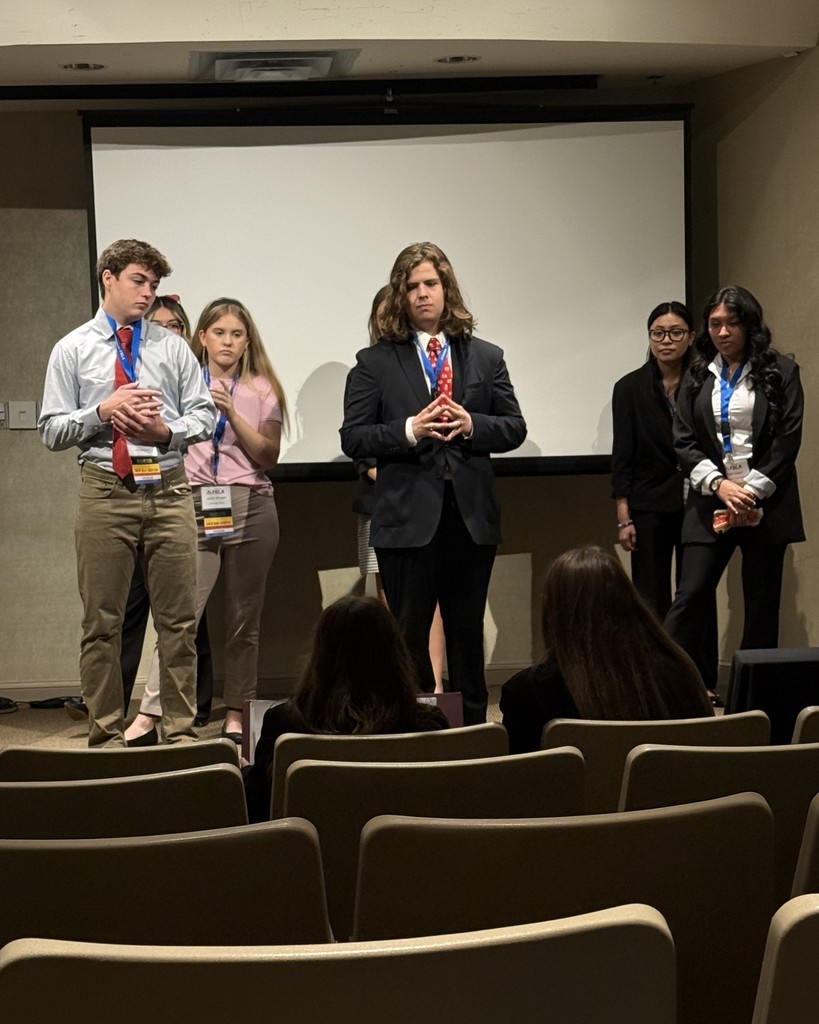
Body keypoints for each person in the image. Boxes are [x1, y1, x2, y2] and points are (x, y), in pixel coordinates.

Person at [38, 239, 216, 747]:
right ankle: (105, 733)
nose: (147, 293)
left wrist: (166, 433)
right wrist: (102, 410)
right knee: (102, 622)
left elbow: (204, 414)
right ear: (108, 278)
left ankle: (180, 734)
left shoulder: (171, 345)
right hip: (104, 489)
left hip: (168, 485)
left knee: (179, 621)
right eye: (139, 281)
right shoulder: (72, 348)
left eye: (154, 285)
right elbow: (50, 430)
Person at [340, 242, 526, 724]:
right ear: (399, 296)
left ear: (447, 290)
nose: (422, 294)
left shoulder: (486, 356)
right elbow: (354, 437)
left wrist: (471, 424)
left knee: (466, 632)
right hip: (406, 519)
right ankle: (414, 726)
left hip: (470, 517)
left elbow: (514, 427)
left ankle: (473, 731)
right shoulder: (375, 361)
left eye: (431, 284)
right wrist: (409, 430)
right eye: (412, 286)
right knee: (407, 635)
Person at [125, 297, 287, 746]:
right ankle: (152, 711)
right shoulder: (181, 382)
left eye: (237, 334)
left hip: (252, 505)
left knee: (243, 620)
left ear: (246, 340)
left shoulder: (261, 388)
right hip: (192, 503)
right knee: (181, 617)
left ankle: (237, 710)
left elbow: (268, 456)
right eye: (219, 333)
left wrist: (232, 412)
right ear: (202, 336)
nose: (228, 342)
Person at [664, 285, 805, 691]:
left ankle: (752, 700)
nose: (722, 332)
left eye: (732, 323)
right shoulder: (696, 373)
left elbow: (787, 439)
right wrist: (721, 485)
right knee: (689, 597)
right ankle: (671, 689)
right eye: (714, 324)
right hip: (712, 500)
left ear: (749, 324)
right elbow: (684, 440)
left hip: (766, 502)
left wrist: (751, 491)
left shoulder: (781, 370)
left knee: (761, 608)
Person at [244, 595, 449, 823]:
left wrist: (249, 776)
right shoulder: (427, 724)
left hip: (309, 855)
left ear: (321, 658)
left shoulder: (285, 725)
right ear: (396, 654)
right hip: (406, 854)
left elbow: (258, 812)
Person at [500, 546, 713, 755]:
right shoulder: (680, 671)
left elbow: (520, 783)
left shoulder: (526, 693)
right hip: (670, 790)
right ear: (630, 601)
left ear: (552, 612)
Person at [351, 285, 447, 687]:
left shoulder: (437, 368)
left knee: (435, 603)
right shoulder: (369, 369)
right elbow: (358, 442)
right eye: (383, 312)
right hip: (384, 506)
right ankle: (398, 685)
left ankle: (437, 687)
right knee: (392, 603)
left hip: (434, 500)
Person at [611, 301, 695, 619]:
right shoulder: (629, 388)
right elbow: (623, 456)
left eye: (675, 332)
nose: (666, 340)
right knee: (649, 596)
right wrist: (624, 516)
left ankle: (699, 670)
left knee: (694, 594)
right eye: (658, 333)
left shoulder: (705, 384)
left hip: (697, 502)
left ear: (691, 337)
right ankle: (654, 669)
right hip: (648, 505)